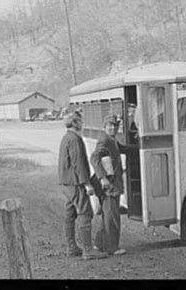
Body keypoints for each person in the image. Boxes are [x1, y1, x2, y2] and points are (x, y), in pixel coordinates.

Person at [58, 111, 108, 260]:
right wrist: (87, 184)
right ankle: (87, 250)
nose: (82, 123)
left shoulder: (66, 137)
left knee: (70, 214)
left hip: (67, 183)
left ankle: (71, 247)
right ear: (74, 123)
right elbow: (78, 164)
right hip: (76, 183)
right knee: (85, 213)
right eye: (80, 120)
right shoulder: (75, 140)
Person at [90, 115, 136, 256]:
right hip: (108, 185)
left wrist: (141, 148)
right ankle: (112, 247)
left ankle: (99, 243)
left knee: (107, 214)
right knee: (112, 216)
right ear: (105, 127)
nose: (113, 128)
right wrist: (102, 178)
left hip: (109, 184)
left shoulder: (111, 140)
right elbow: (94, 158)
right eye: (110, 125)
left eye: (115, 126)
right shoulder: (104, 140)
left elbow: (122, 148)